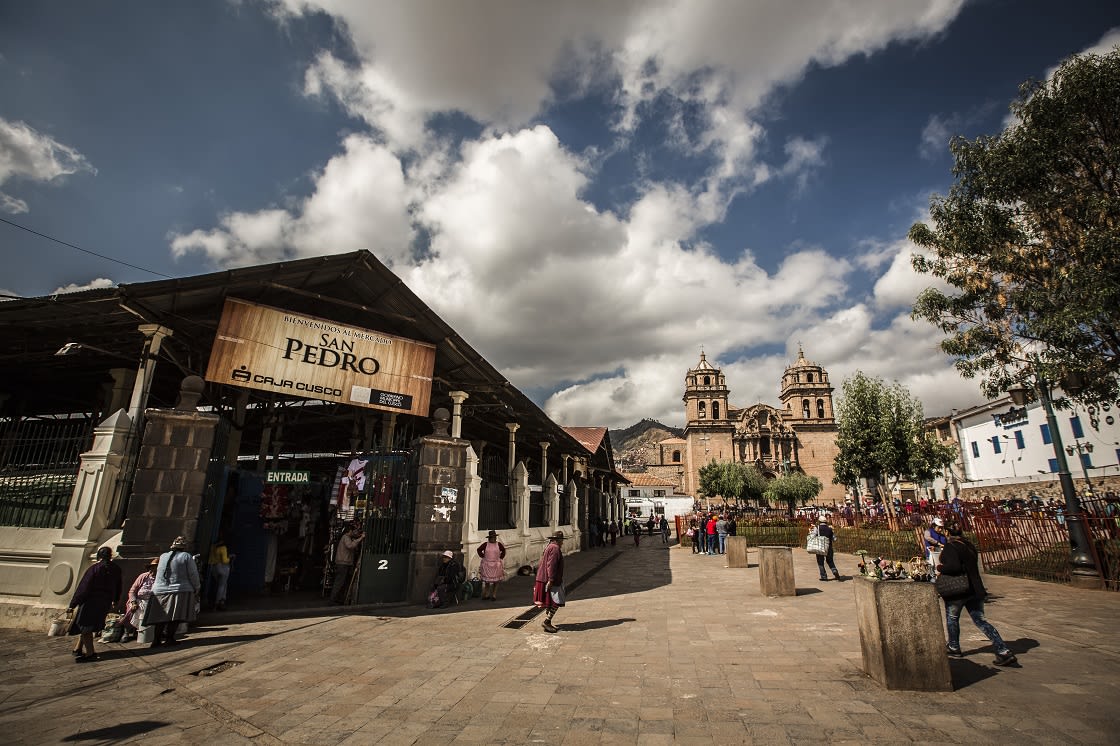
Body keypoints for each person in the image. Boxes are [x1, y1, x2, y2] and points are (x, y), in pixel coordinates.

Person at [939, 524, 1018, 666]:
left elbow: (954, 567)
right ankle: (1003, 650)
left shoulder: (951, 546)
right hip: (975, 589)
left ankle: (954, 646)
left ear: (947, 532)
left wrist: (940, 567)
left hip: (958, 590)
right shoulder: (969, 545)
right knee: (981, 621)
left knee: (952, 618)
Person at [142, 536, 201, 648]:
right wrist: (197, 587)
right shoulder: (186, 557)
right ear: (184, 547)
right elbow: (193, 574)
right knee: (175, 617)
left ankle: (156, 640)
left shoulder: (163, 556)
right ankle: (169, 638)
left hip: (159, 591)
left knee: (160, 618)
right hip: (179, 590)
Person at [67, 546, 123, 662]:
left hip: (90, 602)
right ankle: (78, 648)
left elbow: (83, 588)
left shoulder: (95, 569)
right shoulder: (116, 569)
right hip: (104, 602)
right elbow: (118, 586)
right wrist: (115, 600)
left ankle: (90, 653)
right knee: (87, 626)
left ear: (99, 556)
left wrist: (73, 604)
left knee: (85, 627)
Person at [533, 531, 565, 633]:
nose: (562, 543)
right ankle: (547, 621)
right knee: (557, 600)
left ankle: (548, 620)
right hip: (550, 579)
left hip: (543, 578)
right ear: (558, 540)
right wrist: (551, 580)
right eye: (561, 541)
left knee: (551, 601)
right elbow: (551, 565)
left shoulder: (549, 546)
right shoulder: (555, 548)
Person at [121, 557, 159, 642]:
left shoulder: (160, 579)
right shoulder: (143, 576)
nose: (154, 570)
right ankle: (126, 631)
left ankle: (146, 632)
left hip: (152, 601)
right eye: (153, 567)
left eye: (156, 568)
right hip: (138, 600)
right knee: (133, 608)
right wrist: (134, 602)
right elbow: (132, 591)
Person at [329, 524, 364, 604]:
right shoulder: (346, 537)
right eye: (353, 531)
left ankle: (337, 599)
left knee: (342, 582)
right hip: (343, 563)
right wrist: (360, 538)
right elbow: (350, 546)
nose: (355, 533)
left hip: (344, 563)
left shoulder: (346, 537)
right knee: (339, 582)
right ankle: (332, 600)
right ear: (350, 531)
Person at [476, 530, 506, 601]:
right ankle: (487, 594)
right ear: (489, 538)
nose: (493, 539)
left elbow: (503, 551)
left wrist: (500, 558)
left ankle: (494, 595)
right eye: (492, 537)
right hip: (487, 564)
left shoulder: (499, 544)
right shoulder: (485, 544)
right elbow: (479, 550)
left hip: (496, 564)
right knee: (487, 581)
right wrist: (483, 556)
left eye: (494, 537)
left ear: (496, 538)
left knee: (496, 581)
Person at [208, 536, 234, 610]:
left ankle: (220, 601)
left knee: (220, 584)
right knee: (222, 585)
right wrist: (230, 557)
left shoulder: (212, 547)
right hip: (222, 567)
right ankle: (218, 602)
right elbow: (225, 560)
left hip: (213, 567)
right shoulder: (223, 548)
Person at [814, 517, 841, 581]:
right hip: (829, 547)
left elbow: (813, 536)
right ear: (826, 522)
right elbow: (834, 539)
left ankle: (824, 576)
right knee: (830, 561)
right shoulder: (830, 529)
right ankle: (834, 570)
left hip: (820, 547)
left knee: (820, 562)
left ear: (819, 521)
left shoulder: (817, 528)